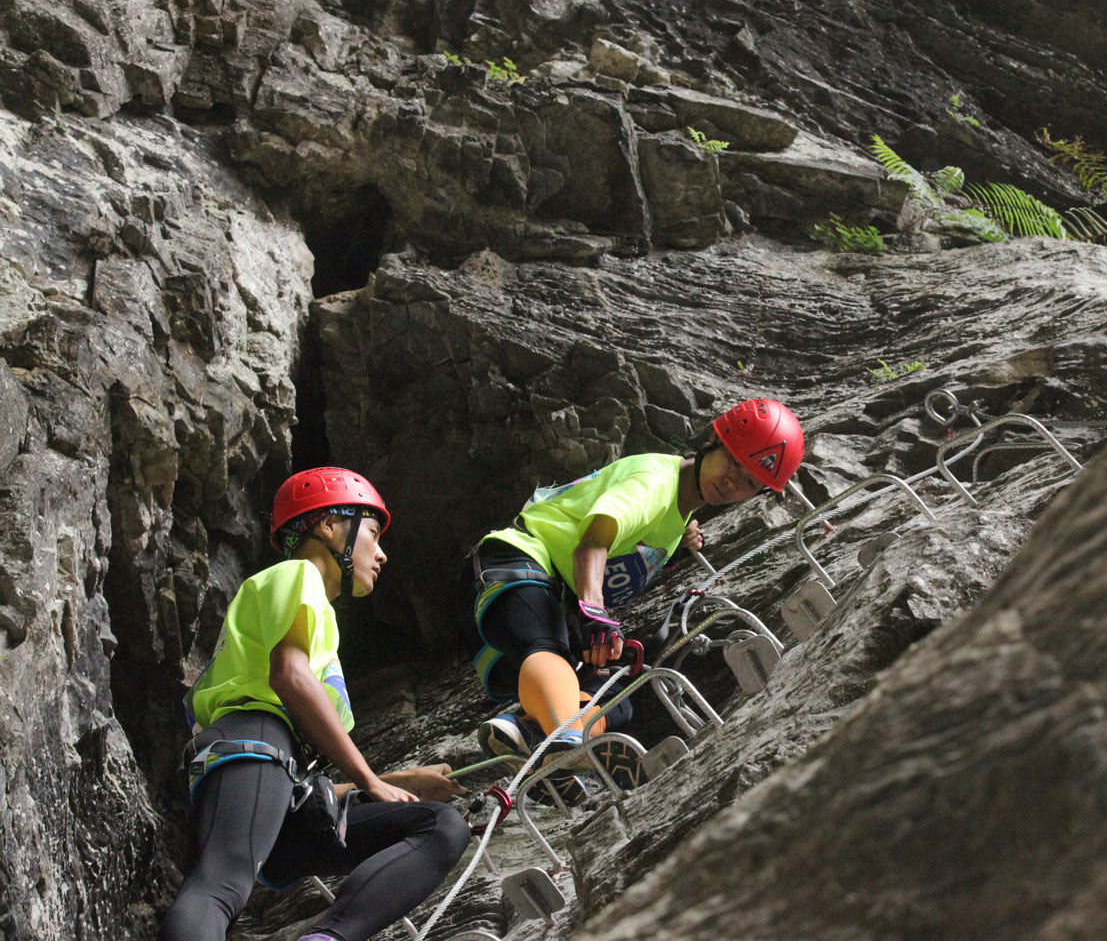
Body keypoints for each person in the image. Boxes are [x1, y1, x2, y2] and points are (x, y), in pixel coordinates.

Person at [160, 467, 470, 941]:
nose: (382, 551)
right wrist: (369, 779)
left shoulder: (318, 614)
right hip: (254, 738)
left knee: (441, 827)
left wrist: (392, 782)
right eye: (372, 532)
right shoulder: (298, 575)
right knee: (219, 886)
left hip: (274, 774)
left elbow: (286, 774)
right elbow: (288, 676)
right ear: (328, 526)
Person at [456, 399, 804, 787]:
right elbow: (593, 543)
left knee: (614, 693)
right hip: (518, 565)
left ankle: (528, 735)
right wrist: (594, 612)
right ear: (713, 441)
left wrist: (679, 539)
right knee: (547, 644)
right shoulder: (654, 481)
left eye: (750, 482)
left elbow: (638, 541)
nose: (732, 481)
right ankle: (564, 744)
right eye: (734, 461)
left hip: (548, 606)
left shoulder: (678, 513)